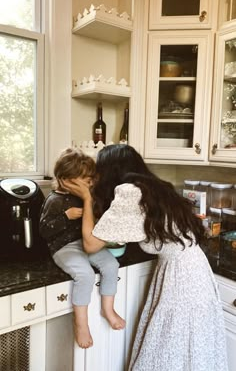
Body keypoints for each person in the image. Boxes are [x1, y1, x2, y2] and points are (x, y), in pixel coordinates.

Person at [62, 144, 228, 371]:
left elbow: (91, 244)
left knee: (169, 346)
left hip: (182, 278)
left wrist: (87, 198)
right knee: (187, 347)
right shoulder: (154, 187)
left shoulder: (129, 192)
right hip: (194, 270)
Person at [39, 147, 125, 349]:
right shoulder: (54, 200)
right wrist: (64, 217)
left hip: (85, 243)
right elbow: (43, 230)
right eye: (85, 179)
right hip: (64, 248)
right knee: (85, 274)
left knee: (111, 265)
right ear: (65, 179)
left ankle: (108, 309)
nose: (91, 183)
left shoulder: (87, 196)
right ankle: (81, 324)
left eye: (91, 179)